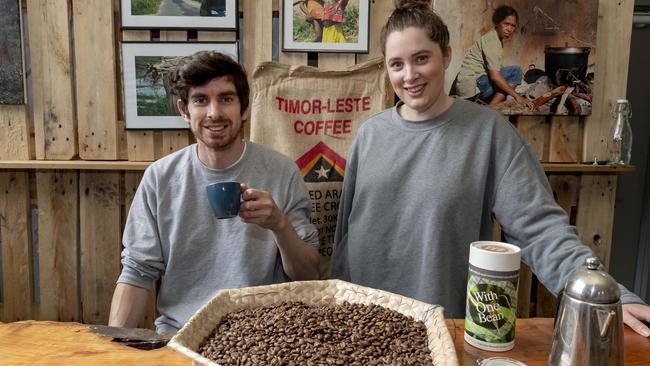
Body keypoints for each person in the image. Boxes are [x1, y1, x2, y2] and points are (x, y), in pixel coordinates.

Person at [330, 0, 650, 338]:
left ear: (447, 55)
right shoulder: (370, 134)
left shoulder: (489, 133)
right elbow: (345, 239)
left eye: (421, 58)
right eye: (397, 64)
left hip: (439, 331)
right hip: (359, 329)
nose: (409, 75)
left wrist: (604, 295)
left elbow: (540, 230)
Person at [108, 51, 320, 333]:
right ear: (184, 110)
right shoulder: (160, 178)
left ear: (244, 109)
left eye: (226, 98)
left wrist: (279, 225)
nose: (214, 113)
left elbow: (308, 275)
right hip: (179, 334)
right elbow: (137, 271)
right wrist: (110, 351)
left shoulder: (282, 171)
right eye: (200, 100)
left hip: (265, 337)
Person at [454, 5, 532, 108]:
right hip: (473, 86)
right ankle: (490, 110)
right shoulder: (492, 40)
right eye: (506, 24)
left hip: (473, 84)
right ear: (498, 23)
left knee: (508, 81)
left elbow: (495, 68)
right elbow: (495, 76)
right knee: (516, 71)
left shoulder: (495, 38)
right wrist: (517, 96)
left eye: (513, 26)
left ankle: (489, 109)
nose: (509, 29)